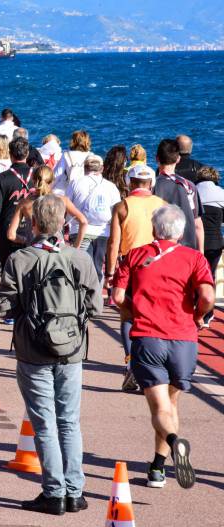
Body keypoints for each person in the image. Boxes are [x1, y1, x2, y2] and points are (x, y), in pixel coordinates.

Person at [0, 194, 102, 515]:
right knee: (69, 421)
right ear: (63, 224)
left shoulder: (21, 259)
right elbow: (95, 306)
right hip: (72, 350)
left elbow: (1, 306)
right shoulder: (79, 259)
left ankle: (53, 493)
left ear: (34, 223)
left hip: (33, 350)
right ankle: (75, 490)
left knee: (44, 423)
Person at [112, 204, 214, 490]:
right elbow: (207, 294)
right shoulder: (194, 258)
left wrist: (134, 311)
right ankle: (158, 468)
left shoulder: (135, 255)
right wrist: (196, 315)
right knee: (172, 404)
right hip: (184, 340)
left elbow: (118, 296)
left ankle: (173, 443)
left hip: (149, 338)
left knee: (159, 408)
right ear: (181, 232)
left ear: (155, 229)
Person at [105, 164, 165, 392]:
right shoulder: (162, 205)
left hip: (130, 266)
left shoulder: (122, 206)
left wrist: (109, 273)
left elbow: (113, 243)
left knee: (128, 315)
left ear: (130, 183)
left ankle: (131, 360)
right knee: (154, 314)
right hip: (158, 266)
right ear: (151, 183)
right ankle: (153, 360)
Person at [65, 154, 121, 281]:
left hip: (79, 231)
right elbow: (116, 211)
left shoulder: (75, 183)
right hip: (103, 232)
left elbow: (67, 206)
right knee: (98, 267)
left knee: (83, 269)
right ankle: (97, 298)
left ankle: (83, 298)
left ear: (85, 168)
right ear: (102, 169)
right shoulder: (110, 186)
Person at [7, 165, 87, 248]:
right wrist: (76, 247)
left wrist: (26, 240)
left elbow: (11, 235)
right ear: (52, 181)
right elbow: (83, 222)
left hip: (34, 249)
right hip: (58, 249)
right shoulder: (63, 200)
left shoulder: (25, 203)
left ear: (33, 180)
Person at [0, 137, 34, 273]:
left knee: (9, 271)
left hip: (7, 230)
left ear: (11, 154)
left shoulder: (3, 177)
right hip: (32, 229)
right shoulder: (37, 176)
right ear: (27, 154)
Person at [153, 139, 204, 252]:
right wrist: (201, 254)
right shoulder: (189, 186)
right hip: (188, 250)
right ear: (178, 159)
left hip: (160, 250)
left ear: (157, 158)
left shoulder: (153, 186)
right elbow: (197, 224)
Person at [195, 166, 224, 327]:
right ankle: (208, 312)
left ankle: (194, 307)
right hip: (215, 242)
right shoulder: (221, 194)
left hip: (194, 242)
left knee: (194, 276)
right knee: (210, 276)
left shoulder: (192, 191)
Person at [53, 130, 93, 196]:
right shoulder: (91, 155)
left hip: (70, 189)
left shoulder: (66, 155)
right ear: (87, 141)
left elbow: (57, 174)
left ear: (73, 141)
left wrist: (48, 189)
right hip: (86, 190)